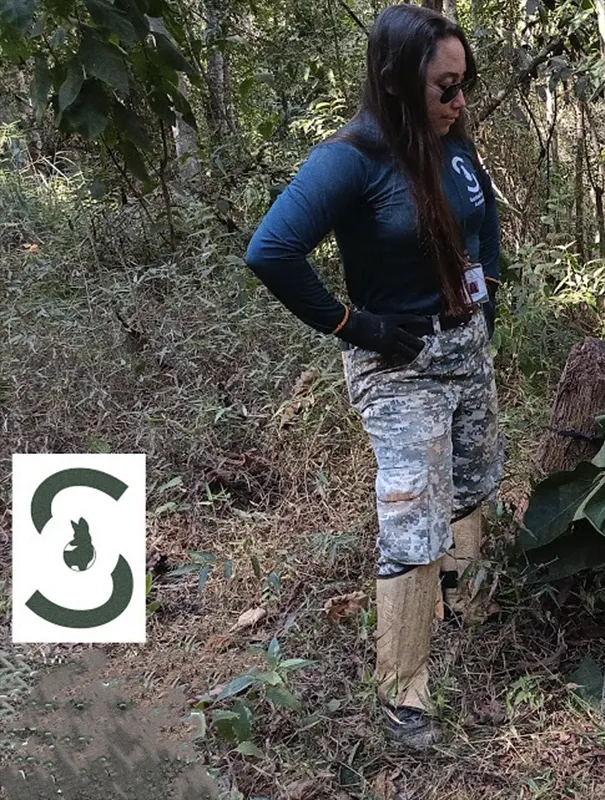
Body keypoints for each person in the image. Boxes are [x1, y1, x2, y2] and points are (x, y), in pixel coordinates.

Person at [244, 4, 503, 748]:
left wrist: (491, 306)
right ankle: (404, 691)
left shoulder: (452, 144)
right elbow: (272, 251)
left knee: (476, 477)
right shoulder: (352, 158)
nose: (459, 103)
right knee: (413, 504)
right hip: (399, 361)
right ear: (396, 80)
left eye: (465, 87)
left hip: (464, 346)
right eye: (445, 87)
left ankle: (459, 604)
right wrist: (353, 326)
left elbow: (482, 230)